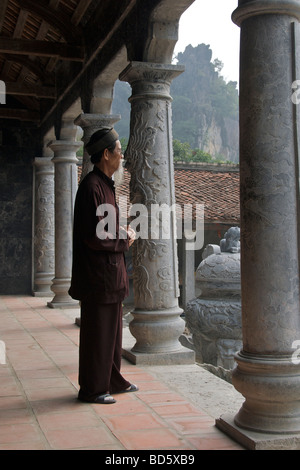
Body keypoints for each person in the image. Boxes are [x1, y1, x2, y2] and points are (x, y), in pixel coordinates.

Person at [69, 127, 137, 404]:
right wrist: (125, 238)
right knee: (98, 334)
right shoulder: (93, 186)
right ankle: (93, 389)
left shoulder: (103, 184)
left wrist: (118, 230)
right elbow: (96, 235)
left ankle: (112, 380)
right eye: (119, 151)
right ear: (106, 154)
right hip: (99, 276)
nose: (121, 156)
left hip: (109, 274)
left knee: (111, 333)